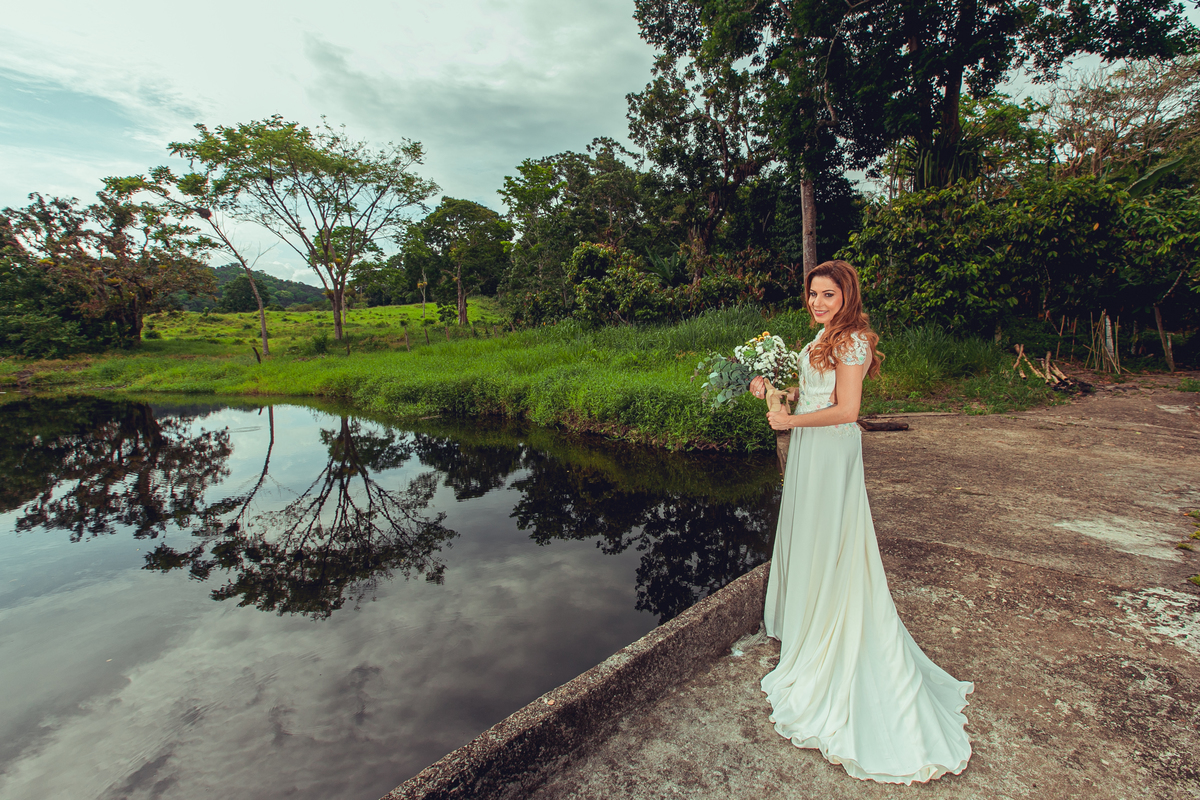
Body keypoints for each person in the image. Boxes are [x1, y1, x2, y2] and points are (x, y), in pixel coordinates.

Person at [748, 260, 973, 784]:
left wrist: (790, 421)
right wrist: (775, 395)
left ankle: (834, 630)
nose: (818, 302)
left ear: (846, 296)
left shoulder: (854, 340)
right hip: (810, 447)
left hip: (832, 450)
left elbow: (847, 409)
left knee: (834, 536)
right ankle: (808, 618)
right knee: (810, 532)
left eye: (828, 294)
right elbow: (811, 396)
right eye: (812, 294)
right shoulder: (823, 337)